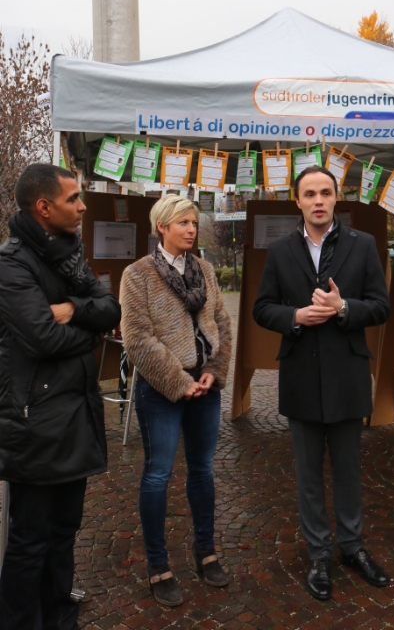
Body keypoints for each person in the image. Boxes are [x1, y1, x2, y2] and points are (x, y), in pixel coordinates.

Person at [253, 165, 391, 601]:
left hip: (347, 374)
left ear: (336, 198)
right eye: (310, 193)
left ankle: (352, 547)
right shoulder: (280, 250)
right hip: (301, 374)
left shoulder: (362, 244)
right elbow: (261, 308)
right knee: (308, 473)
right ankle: (318, 554)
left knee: (348, 469)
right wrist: (295, 315)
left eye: (325, 193)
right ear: (297, 201)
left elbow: (381, 306)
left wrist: (343, 307)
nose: (318, 200)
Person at [0, 163, 121, 629]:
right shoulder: (11, 264)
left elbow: (111, 308)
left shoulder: (69, 256)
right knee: (30, 541)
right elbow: (42, 339)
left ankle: (60, 619)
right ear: (43, 207)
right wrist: (91, 334)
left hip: (76, 417)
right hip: (35, 425)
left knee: (64, 534)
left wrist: (74, 308)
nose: (83, 206)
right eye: (74, 198)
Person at [120, 194, 232, 607]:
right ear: (162, 226)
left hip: (205, 387)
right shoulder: (138, 274)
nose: (191, 229)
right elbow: (137, 338)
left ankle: (206, 550)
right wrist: (177, 381)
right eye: (183, 222)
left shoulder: (205, 270)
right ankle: (158, 565)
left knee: (202, 470)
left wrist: (214, 370)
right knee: (158, 474)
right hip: (161, 389)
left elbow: (222, 323)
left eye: (194, 223)